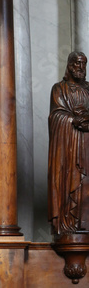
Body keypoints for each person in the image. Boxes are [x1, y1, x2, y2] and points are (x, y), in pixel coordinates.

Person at [48, 51, 89, 235]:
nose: (81, 68)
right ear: (69, 66)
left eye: (84, 64)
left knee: (86, 183)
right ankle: (67, 224)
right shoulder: (59, 89)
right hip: (68, 146)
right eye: (77, 64)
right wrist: (73, 121)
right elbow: (56, 116)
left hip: (86, 145)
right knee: (69, 180)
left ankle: (84, 223)